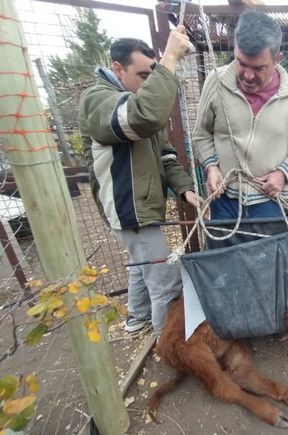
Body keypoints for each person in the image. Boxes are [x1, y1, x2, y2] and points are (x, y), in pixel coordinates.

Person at [79, 27, 202, 335]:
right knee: (164, 283)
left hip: (139, 207)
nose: (148, 82)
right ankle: (168, 346)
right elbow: (143, 116)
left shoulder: (132, 99)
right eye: (144, 75)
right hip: (129, 209)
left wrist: (185, 189)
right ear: (118, 69)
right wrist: (170, 57)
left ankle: (136, 319)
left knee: (140, 267)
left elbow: (166, 155)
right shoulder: (99, 100)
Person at [193, 9, 288, 246]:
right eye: (241, 63)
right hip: (223, 201)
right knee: (222, 269)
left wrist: (283, 173)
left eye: (259, 68)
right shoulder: (216, 82)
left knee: (265, 269)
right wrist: (210, 166)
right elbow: (201, 135)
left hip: (268, 203)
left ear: (278, 58)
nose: (247, 75)